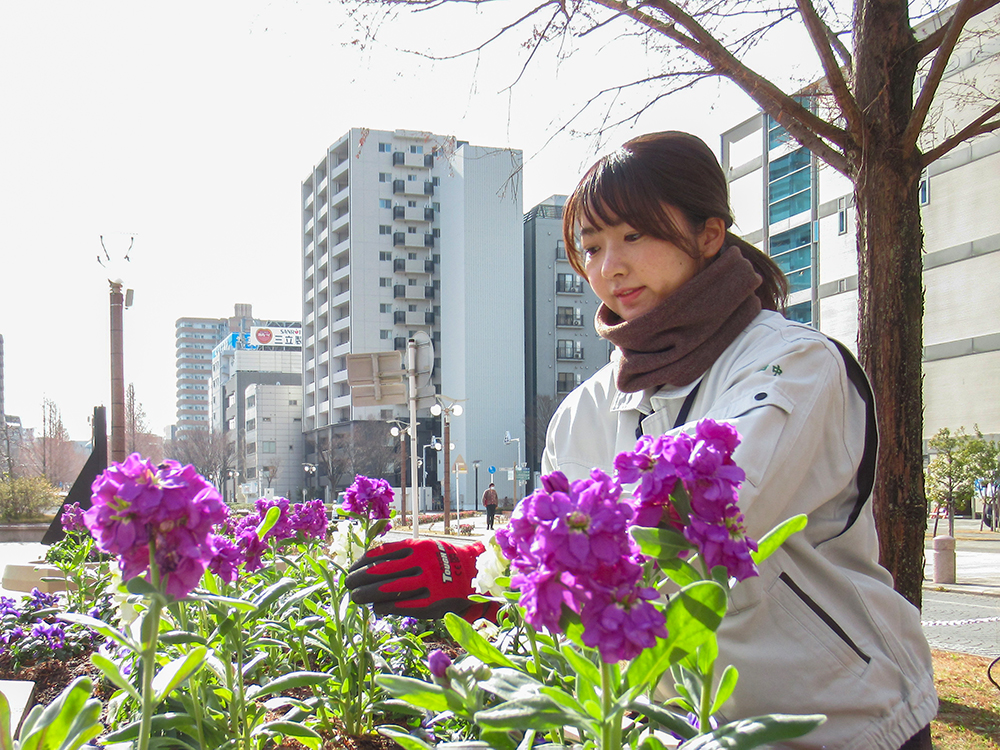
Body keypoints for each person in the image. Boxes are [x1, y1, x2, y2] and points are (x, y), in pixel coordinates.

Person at [346, 131, 937, 749]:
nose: (610, 267)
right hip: (672, 729)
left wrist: (505, 563)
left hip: (847, 722)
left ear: (709, 235)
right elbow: (579, 572)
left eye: (635, 236)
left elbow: (710, 513)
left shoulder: (794, 363)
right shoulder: (584, 411)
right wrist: (499, 582)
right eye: (591, 246)